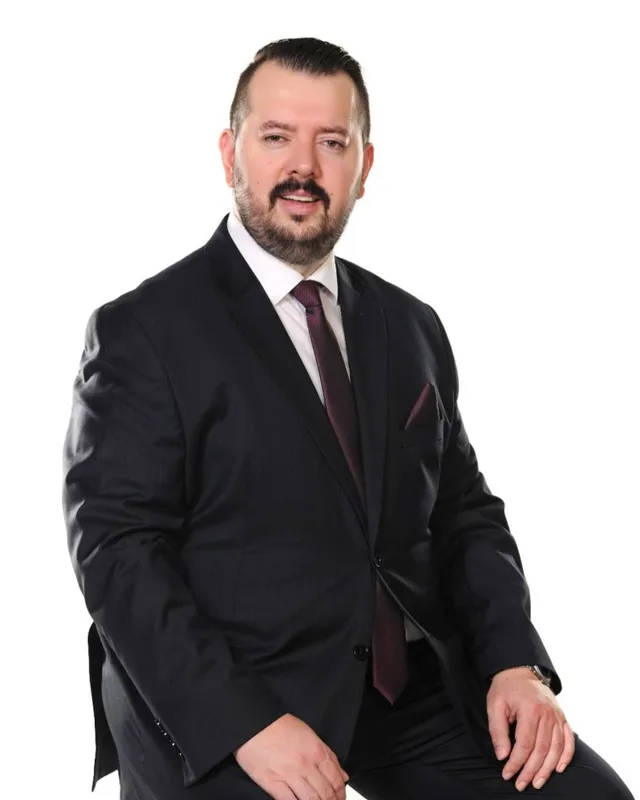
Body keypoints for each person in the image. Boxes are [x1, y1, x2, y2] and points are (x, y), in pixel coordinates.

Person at [61, 37, 634, 800]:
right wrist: (245, 725)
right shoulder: (145, 329)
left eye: (331, 143)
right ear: (230, 154)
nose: (303, 167)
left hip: (399, 683)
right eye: (276, 137)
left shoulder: (410, 325)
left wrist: (512, 661)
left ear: (363, 167)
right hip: (225, 688)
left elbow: (463, 512)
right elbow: (118, 551)